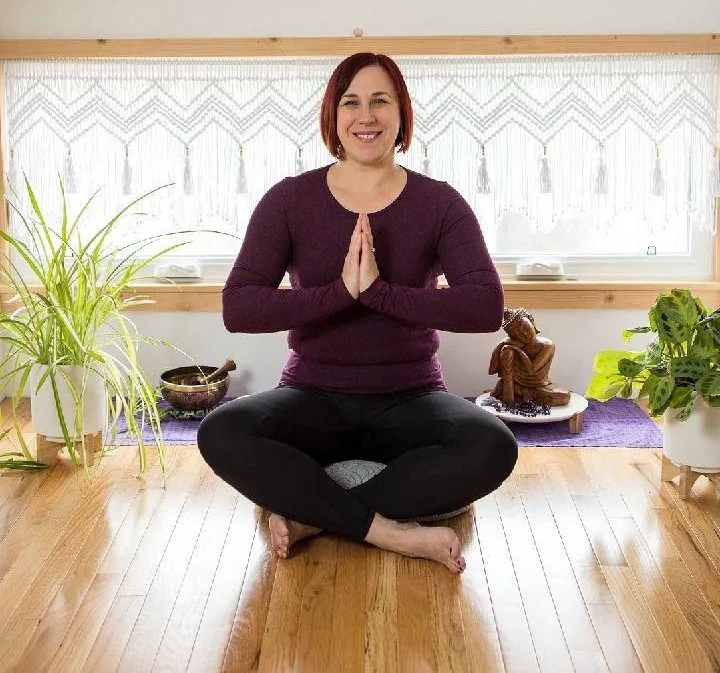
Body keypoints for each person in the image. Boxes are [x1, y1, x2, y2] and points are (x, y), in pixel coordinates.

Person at [197, 53, 518, 574]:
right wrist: (341, 293)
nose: (365, 116)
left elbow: (485, 306)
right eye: (351, 102)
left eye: (379, 101)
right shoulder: (289, 200)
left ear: (401, 114)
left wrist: (381, 294)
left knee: (493, 446)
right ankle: (389, 531)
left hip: (412, 398)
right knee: (220, 431)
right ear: (333, 114)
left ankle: (314, 517)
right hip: (311, 396)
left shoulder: (440, 203)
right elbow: (239, 306)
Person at [488, 308, 570, 406]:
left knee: (565, 396)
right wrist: (503, 344)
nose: (525, 334)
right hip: (516, 385)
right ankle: (511, 399)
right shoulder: (512, 346)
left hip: (539, 387)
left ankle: (519, 398)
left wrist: (519, 351)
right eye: (518, 334)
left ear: (532, 322)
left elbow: (531, 370)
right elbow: (492, 370)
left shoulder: (547, 345)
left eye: (526, 327)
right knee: (507, 351)